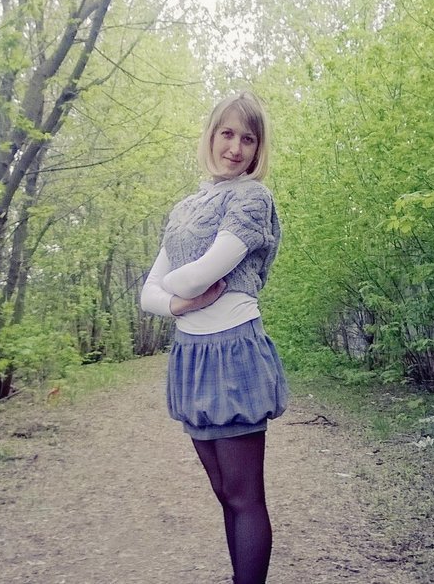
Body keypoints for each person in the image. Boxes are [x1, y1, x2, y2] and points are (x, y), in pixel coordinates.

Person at [140, 91, 289, 584]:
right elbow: (148, 294)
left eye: (248, 138)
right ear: (210, 136)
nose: (236, 148)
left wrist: (176, 290)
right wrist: (179, 303)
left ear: (258, 147)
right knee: (225, 492)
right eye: (227, 133)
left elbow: (201, 274)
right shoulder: (185, 209)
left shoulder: (251, 198)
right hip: (192, 353)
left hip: (233, 348)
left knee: (245, 496)